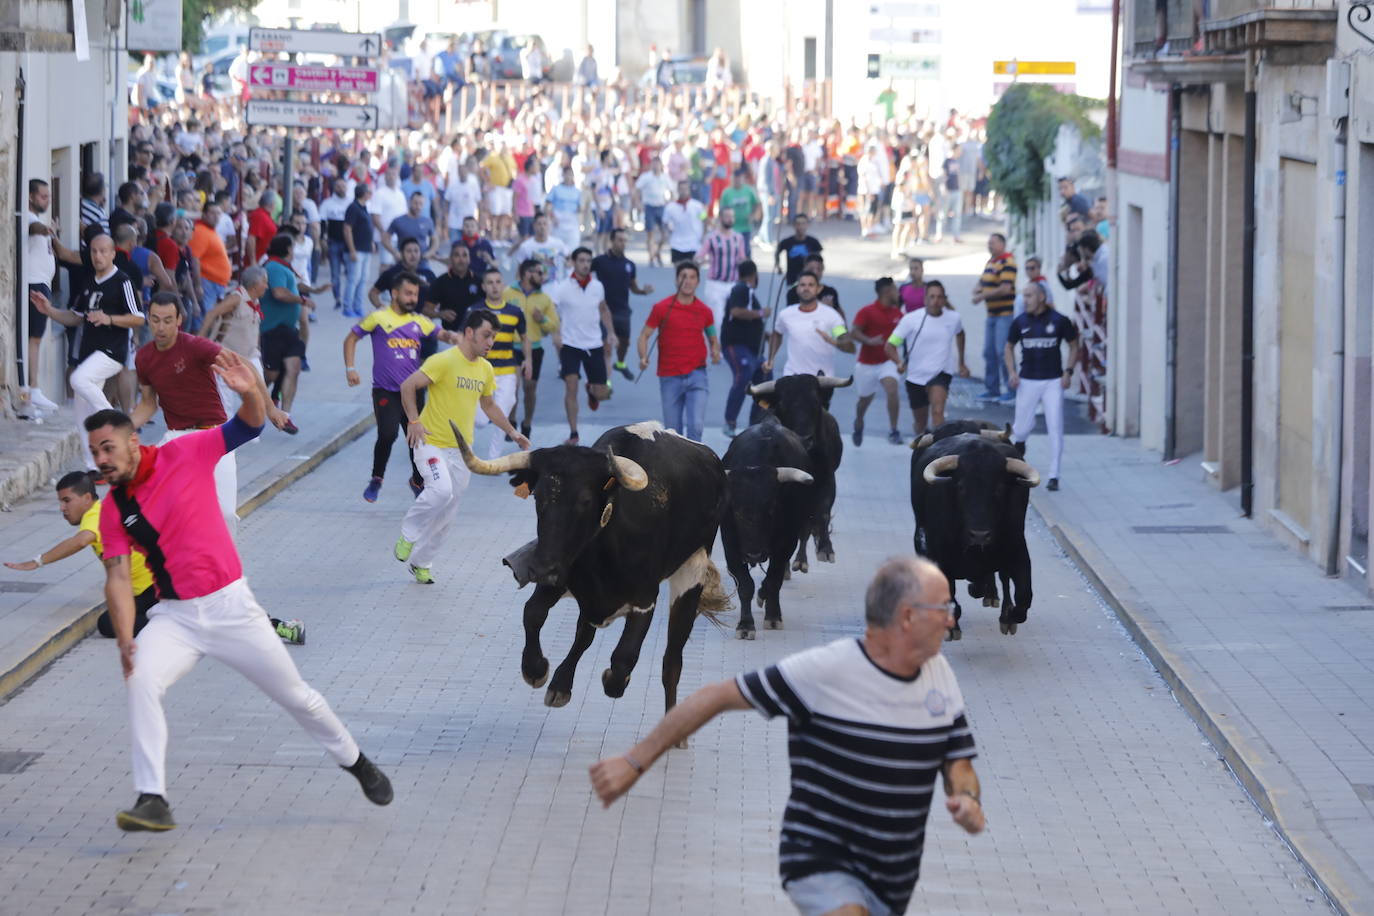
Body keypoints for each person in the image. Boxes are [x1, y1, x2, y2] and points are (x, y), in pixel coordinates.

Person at [87, 359, 392, 833]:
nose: (101, 459)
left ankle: (356, 762)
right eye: (94, 452)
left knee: (299, 698)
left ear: (133, 442)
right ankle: (153, 798)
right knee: (141, 678)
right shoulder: (114, 509)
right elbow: (119, 580)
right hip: (175, 618)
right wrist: (127, 638)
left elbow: (248, 427)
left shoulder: (185, 452)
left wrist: (251, 392)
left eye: (108, 448)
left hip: (232, 609)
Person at [590, 555, 984, 916]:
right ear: (907, 616)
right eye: (943, 608)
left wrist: (966, 798)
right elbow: (717, 696)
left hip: (893, 876)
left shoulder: (939, 677)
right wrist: (633, 761)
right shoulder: (828, 670)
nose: (950, 619)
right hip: (819, 859)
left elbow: (957, 758)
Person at [6, 468, 306, 644]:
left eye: (66, 501)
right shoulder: (106, 507)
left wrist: (39, 561)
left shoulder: (94, 517)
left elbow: (81, 541)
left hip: (164, 582)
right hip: (155, 587)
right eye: (60, 502)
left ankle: (280, 627)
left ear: (86, 498)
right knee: (109, 624)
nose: (62, 508)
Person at [394, 309, 531, 585]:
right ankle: (408, 534)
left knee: (448, 514)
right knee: (440, 490)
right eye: (486, 335)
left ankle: (422, 563)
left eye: (494, 336)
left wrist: (513, 433)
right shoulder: (444, 361)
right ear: (469, 333)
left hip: (462, 452)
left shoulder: (485, 369)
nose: (490, 342)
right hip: (430, 443)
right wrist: (413, 421)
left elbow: (490, 406)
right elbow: (408, 386)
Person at [132, 291, 287, 533]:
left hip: (214, 436)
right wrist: (123, 429)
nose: (160, 327)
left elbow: (243, 364)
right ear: (148, 319)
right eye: (155, 319)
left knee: (224, 514)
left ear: (179, 320)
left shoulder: (194, 346)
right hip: (176, 439)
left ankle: (228, 571)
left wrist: (270, 408)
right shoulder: (144, 357)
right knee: (153, 508)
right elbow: (148, 403)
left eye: (167, 320)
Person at [29, 234, 144, 468]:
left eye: (103, 251)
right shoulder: (89, 281)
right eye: (94, 251)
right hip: (89, 352)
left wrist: (109, 318)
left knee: (78, 379)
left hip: (112, 352)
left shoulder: (123, 281)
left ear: (113, 254)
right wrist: (49, 310)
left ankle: (117, 423)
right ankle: (93, 466)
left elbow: (139, 318)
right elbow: (76, 317)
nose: (98, 256)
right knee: (82, 410)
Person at [347, 270, 440, 503]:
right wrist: (351, 368)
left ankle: (417, 481)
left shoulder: (420, 321)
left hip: (414, 391)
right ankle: (377, 479)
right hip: (385, 391)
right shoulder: (378, 317)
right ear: (394, 293)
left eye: (416, 294)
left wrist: (465, 340)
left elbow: (446, 335)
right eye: (408, 293)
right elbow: (350, 339)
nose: (413, 299)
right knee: (387, 434)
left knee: (417, 438)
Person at [1005, 281, 1080, 492]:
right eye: (1023, 295)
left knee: (1055, 427)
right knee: (1020, 428)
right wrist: (1012, 372)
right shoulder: (1020, 322)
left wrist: (1068, 372)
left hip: (1053, 381)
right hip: (1027, 380)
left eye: (1029, 295)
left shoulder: (1059, 320)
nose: (1024, 300)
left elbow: (1074, 345)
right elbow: (1008, 347)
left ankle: (1054, 475)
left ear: (1041, 297)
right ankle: (1019, 454)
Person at [637, 261, 720, 441]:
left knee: (696, 426)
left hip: (697, 375)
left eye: (692, 277)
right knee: (672, 433)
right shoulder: (661, 308)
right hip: (670, 377)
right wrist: (643, 357)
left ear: (698, 281)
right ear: (676, 281)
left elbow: (713, 338)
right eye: (683, 277)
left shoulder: (705, 311)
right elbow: (644, 335)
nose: (687, 281)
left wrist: (715, 351)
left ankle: (693, 467)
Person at [549, 247, 618, 445]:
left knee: (602, 393)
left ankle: (591, 389)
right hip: (570, 345)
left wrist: (611, 333)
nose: (586, 264)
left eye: (588, 261)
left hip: (594, 344)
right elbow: (552, 311)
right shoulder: (562, 287)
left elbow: (604, 310)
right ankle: (573, 433)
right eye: (581, 260)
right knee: (571, 386)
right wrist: (556, 334)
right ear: (573, 262)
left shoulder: (597, 286)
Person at [886, 279, 970, 437]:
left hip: (941, 373)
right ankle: (921, 447)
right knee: (921, 424)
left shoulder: (953, 318)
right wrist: (898, 362)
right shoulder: (910, 320)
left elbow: (960, 334)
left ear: (944, 299)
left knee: (938, 413)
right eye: (932, 297)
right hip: (916, 377)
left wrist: (961, 363)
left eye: (939, 297)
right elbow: (890, 345)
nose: (935, 301)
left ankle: (938, 452)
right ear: (925, 299)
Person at [764, 271, 853, 411]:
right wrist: (770, 358)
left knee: (816, 425)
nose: (806, 288)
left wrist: (833, 341)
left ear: (818, 289)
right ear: (797, 288)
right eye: (802, 285)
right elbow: (777, 334)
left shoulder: (831, 316)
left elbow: (849, 346)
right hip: (792, 377)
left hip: (822, 381)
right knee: (788, 419)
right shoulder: (786, 314)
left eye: (811, 285)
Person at [472, 267, 532, 459]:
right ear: (483, 286)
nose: (495, 286)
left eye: (498, 282)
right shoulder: (475, 311)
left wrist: (528, 361)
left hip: (507, 371)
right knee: (481, 421)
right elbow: (465, 339)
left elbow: (524, 338)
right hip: (480, 371)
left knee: (503, 416)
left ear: (503, 285)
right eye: (490, 282)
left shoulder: (515, 311)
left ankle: (494, 459)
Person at [23, 178, 71, 416]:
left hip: (42, 283)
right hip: (35, 285)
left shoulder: (39, 220)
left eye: (48, 196)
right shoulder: (31, 220)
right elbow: (33, 229)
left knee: (37, 337)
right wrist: (47, 229)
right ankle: (33, 388)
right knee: (35, 338)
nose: (47, 200)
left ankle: (34, 388)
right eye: (43, 196)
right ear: (30, 197)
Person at [260, 234, 313, 427]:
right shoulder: (274, 267)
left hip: (288, 330)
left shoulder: (281, 267)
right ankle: (253, 397)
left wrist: (315, 291)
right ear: (288, 249)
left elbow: (293, 286)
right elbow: (279, 293)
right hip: (272, 329)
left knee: (294, 368)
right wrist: (303, 300)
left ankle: (285, 415)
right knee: (272, 375)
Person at [592, 228, 655, 381]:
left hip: (623, 311)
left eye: (625, 240)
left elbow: (633, 287)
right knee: (607, 348)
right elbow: (584, 273)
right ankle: (606, 383)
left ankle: (620, 364)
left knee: (624, 343)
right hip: (604, 311)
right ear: (612, 240)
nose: (623, 243)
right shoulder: (600, 261)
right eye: (620, 240)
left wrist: (643, 291)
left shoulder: (629, 265)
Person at [507, 259, 560, 438]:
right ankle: (511, 420)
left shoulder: (544, 298)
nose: (542, 276)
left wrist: (542, 320)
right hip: (511, 347)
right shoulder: (508, 293)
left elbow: (554, 326)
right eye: (538, 272)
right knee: (512, 385)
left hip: (535, 348)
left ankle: (527, 422)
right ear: (526, 273)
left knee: (529, 387)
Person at [849, 278, 905, 446]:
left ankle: (893, 430)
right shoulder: (867, 311)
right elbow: (854, 332)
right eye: (895, 289)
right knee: (864, 400)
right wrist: (869, 340)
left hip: (888, 362)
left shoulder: (898, 314)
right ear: (886, 291)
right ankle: (859, 422)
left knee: (892, 388)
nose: (898, 293)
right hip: (866, 364)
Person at [720, 259, 769, 438]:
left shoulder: (749, 293)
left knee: (765, 381)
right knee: (744, 375)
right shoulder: (742, 289)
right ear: (754, 275)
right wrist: (762, 313)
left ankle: (757, 422)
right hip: (737, 346)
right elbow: (736, 312)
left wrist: (765, 332)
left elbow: (750, 319)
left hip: (755, 350)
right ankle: (729, 421)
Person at [972, 233, 1017, 403]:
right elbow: (982, 281)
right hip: (992, 314)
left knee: (1002, 352)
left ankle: (1012, 390)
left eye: (992, 243)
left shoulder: (1008, 262)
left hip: (1004, 314)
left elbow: (1005, 288)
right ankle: (992, 389)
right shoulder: (991, 262)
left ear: (1002, 244)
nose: (989, 246)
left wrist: (982, 296)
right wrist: (977, 290)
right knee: (989, 352)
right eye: (988, 243)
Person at [426, 242, 483, 334]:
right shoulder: (441, 281)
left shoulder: (479, 281)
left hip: (475, 337)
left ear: (469, 259)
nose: (461, 259)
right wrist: (440, 314)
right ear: (450, 259)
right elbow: (426, 309)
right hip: (449, 336)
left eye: (465, 255)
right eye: (457, 255)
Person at [369, 237, 437, 311]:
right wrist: (380, 306)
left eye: (416, 251)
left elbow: (439, 296)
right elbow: (373, 293)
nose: (413, 254)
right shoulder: (391, 273)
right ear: (401, 254)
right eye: (409, 251)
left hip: (422, 319)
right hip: (398, 319)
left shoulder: (429, 274)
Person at [319, 179, 352, 310]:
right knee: (335, 273)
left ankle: (348, 298)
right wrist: (322, 239)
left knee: (351, 272)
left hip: (348, 243)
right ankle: (337, 298)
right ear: (334, 188)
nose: (341, 188)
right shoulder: (327, 204)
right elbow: (322, 222)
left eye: (343, 186)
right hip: (333, 242)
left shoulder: (350, 204)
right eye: (338, 186)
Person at [511, 213, 571, 284]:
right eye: (539, 224)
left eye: (545, 224)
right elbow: (519, 272)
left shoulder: (558, 243)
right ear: (534, 226)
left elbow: (570, 257)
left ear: (548, 225)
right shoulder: (526, 246)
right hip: (534, 289)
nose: (542, 227)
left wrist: (568, 263)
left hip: (554, 288)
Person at [635, 157, 673, 266]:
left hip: (661, 207)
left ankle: (657, 251)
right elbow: (636, 190)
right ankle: (651, 257)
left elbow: (672, 192)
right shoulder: (646, 177)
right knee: (650, 234)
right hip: (649, 207)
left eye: (658, 164)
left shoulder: (665, 178)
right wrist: (638, 203)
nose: (656, 166)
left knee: (664, 234)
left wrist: (671, 204)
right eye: (654, 164)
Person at [784, 253, 843, 319]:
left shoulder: (830, 292)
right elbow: (791, 317)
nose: (815, 272)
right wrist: (821, 307)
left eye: (819, 269)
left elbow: (839, 317)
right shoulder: (793, 292)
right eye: (811, 269)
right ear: (804, 268)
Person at [718, 167, 761, 256]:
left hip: (746, 227)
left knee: (745, 251)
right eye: (735, 179)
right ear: (732, 179)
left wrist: (753, 215)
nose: (737, 181)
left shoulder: (749, 190)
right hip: (731, 228)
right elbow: (721, 210)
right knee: (732, 252)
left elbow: (757, 204)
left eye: (739, 178)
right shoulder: (727, 192)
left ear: (743, 178)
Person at [663, 180, 707, 264]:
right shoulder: (671, 207)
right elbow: (665, 222)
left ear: (689, 190)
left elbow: (704, 219)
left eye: (685, 189)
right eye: (681, 189)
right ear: (678, 190)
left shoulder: (697, 206)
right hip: (677, 244)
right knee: (679, 273)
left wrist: (703, 236)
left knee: (694, 272)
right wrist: (669, 232)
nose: (683, 191)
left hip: (694, 244)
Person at [775, 214, 824, 288]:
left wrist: (818, 274)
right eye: (798, 224)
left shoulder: (814, 242)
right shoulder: (787, 241)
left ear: (807, 225)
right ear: (794, 225)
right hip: (791, 279)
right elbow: (777, 252)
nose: (801, 226)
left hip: (809, 280)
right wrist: (778, 265)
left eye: (803, 223)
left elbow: (819, 261)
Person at [546, 167, 583, 252]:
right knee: (556, 248)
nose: (568, 176)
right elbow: (548, 205)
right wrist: (552, 217)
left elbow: (580, 209)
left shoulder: (577, 191)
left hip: (572, 221)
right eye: (567, 174)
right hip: (558, 221)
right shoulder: (556, 189)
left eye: (570, 174)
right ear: (563, 175)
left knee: (573, 247)